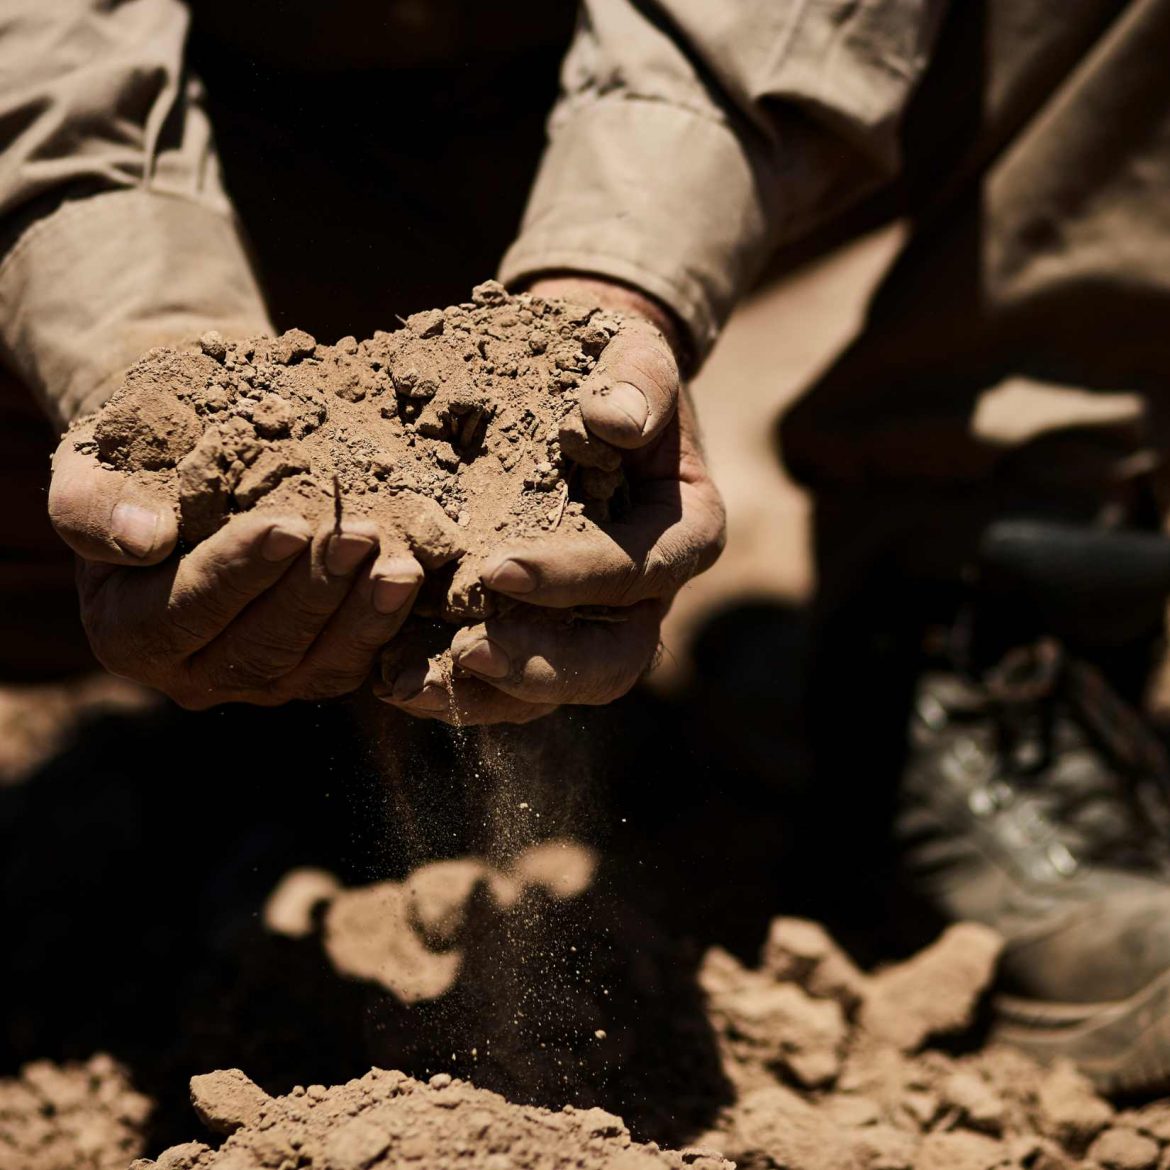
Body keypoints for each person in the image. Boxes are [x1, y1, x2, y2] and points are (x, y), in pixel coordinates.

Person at [5, 0, 1170, 1090]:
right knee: (175, 533)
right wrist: (146, 351)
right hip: (218, 164)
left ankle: (952, 638)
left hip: (704, 121)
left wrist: (616, 282)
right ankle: (284, 708)